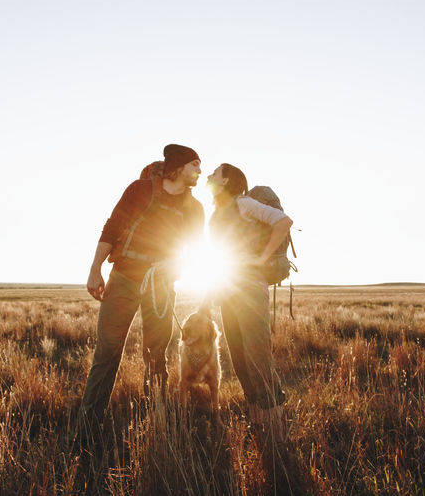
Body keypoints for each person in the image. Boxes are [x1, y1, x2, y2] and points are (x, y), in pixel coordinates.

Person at [76, 144, 204, 449]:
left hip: (161, 285)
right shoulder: (139, 191)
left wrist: (173, 267)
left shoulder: (195, 209)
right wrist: (95, 270)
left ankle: (156, 427)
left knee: (156, 357)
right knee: (107, 354)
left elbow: (195, 251)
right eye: (195, 165)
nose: (200, 171)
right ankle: (87, 432)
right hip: (123, 278)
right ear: (178, 167)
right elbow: (112, 227)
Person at [206, 163, 293, 444]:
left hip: (250, 289)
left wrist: (262, 257)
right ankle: (260, 429)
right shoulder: (218, 213)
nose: (208, 176)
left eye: (214, 173)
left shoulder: (244, 203)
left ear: (227, 180)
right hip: (229, 290)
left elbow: (283, 221)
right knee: (241, 362)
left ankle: (277, 436)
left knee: (258, 359)